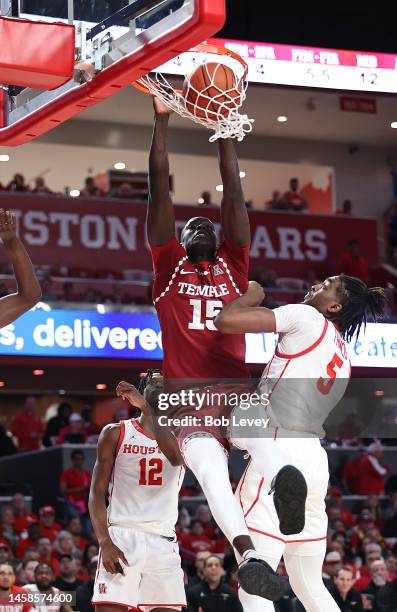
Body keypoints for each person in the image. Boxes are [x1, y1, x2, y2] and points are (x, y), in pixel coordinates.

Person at [146, 97, 285, 601]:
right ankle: (247, 554)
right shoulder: (166, 269)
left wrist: (227, 129)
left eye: (207, 224)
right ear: (178, 240)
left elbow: (234, 195)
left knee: (265, 446)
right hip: (187, 400)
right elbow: (158, 191)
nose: (201, 223)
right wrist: (161, 121)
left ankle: (288, 493)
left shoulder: (234, 267)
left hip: (233, 392)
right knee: (209, 475)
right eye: (191, 225)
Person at [215, 273, 387, 611]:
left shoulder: (306, 316)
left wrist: (251, 295)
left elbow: (227, 321)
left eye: (326, 286)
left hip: (279, 454)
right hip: (313, 458)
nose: (314, 285)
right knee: (309, 584)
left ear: (335, 305)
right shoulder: (343, 354)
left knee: (254, 584)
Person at [89, 371, 187, 611]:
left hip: (163, 541)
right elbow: (96, 494)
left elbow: (175, 459)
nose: (160, 389)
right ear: (143, 391)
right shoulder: (115, 432)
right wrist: (105, 541)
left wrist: (146, 407)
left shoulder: (186, 437)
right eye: (154, 384)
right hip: (123, 535)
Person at [59, 449, 91, 515]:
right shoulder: (66, 473)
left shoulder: (86, 473)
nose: (79, 461)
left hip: (85, 503)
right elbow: (62, 490)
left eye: (81, 459)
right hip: (71, 503)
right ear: (72, 460)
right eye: (76, 459)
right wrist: (80, 489)